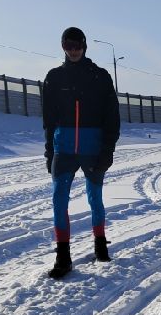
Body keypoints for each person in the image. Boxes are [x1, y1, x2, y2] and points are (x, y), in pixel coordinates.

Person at [42, 26, 120, 279]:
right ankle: (62, 256)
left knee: (94, 197)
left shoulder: (99, 76)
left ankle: (100, 243)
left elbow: (112, 117)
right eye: (68, 46)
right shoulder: (54, 78)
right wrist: (49, 150)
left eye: (77, 46)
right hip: (63, 147)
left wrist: (107, 150)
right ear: (63, 47)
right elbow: (48, 119)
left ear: (84, 46)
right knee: (58, 199)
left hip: (92, 146)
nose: (73, 51)